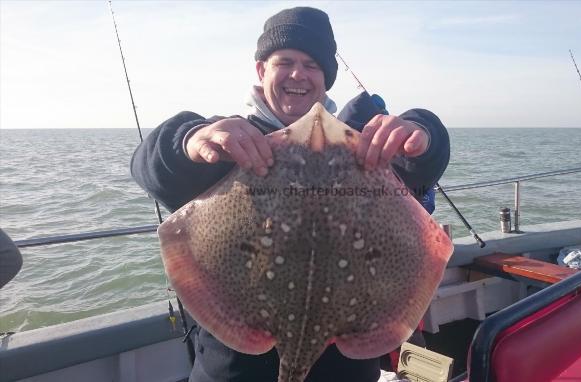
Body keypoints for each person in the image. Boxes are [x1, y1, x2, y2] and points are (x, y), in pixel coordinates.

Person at [131, 6, 450, 382]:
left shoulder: (364, 148)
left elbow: (423, 165)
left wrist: (421, 133)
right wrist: (190, 138)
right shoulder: (230, 142)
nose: (298, 73)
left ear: (326, 79)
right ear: (261, 70)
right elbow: (148, 166)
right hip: (232, 372)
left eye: (312, 65)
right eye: (285, 61)